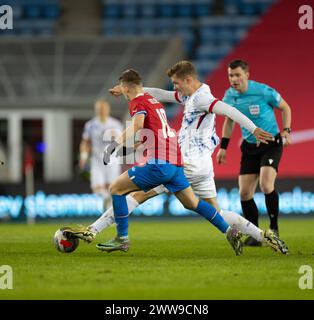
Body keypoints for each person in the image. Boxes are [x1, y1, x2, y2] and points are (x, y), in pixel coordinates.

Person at [65, 62, 289, 255]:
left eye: (176, 83)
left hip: (186, 162)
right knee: (212, 211)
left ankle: (95, 231)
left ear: (188, 79)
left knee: (133, 194)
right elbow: (161, 95)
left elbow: (229, 111)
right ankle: (262, 235)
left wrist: (253, 128)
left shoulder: (203, 99)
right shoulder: (190, 96)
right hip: (202, 166)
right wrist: (130, 89)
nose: (174, 88)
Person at [216, 59, 292, 246]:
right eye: (230, 75)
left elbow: (285, 107)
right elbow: (229, 121)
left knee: (266, 185)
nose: (233, 79)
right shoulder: (229, 96)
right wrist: (223, 147)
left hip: (271, 144)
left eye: (237, 75)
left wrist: (286, 130)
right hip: (250, 147)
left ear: (247, 75)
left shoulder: (263, 91)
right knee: (244, 193)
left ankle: (273, 228)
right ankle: (257, 235)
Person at [79, 98, 123, 205]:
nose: (102, 110)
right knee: (96, 189)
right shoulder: (90, 125)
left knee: (112, 188)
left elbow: (124, 141)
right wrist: (83, 157)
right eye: (99, 108)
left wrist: (116, 137)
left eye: (104, 108)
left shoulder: (116, 124)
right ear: (96, 110)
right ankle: (106, 199)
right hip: (97, 161)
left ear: (108, 109)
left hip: (112, 161)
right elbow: (85, 142)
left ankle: (109, 211)